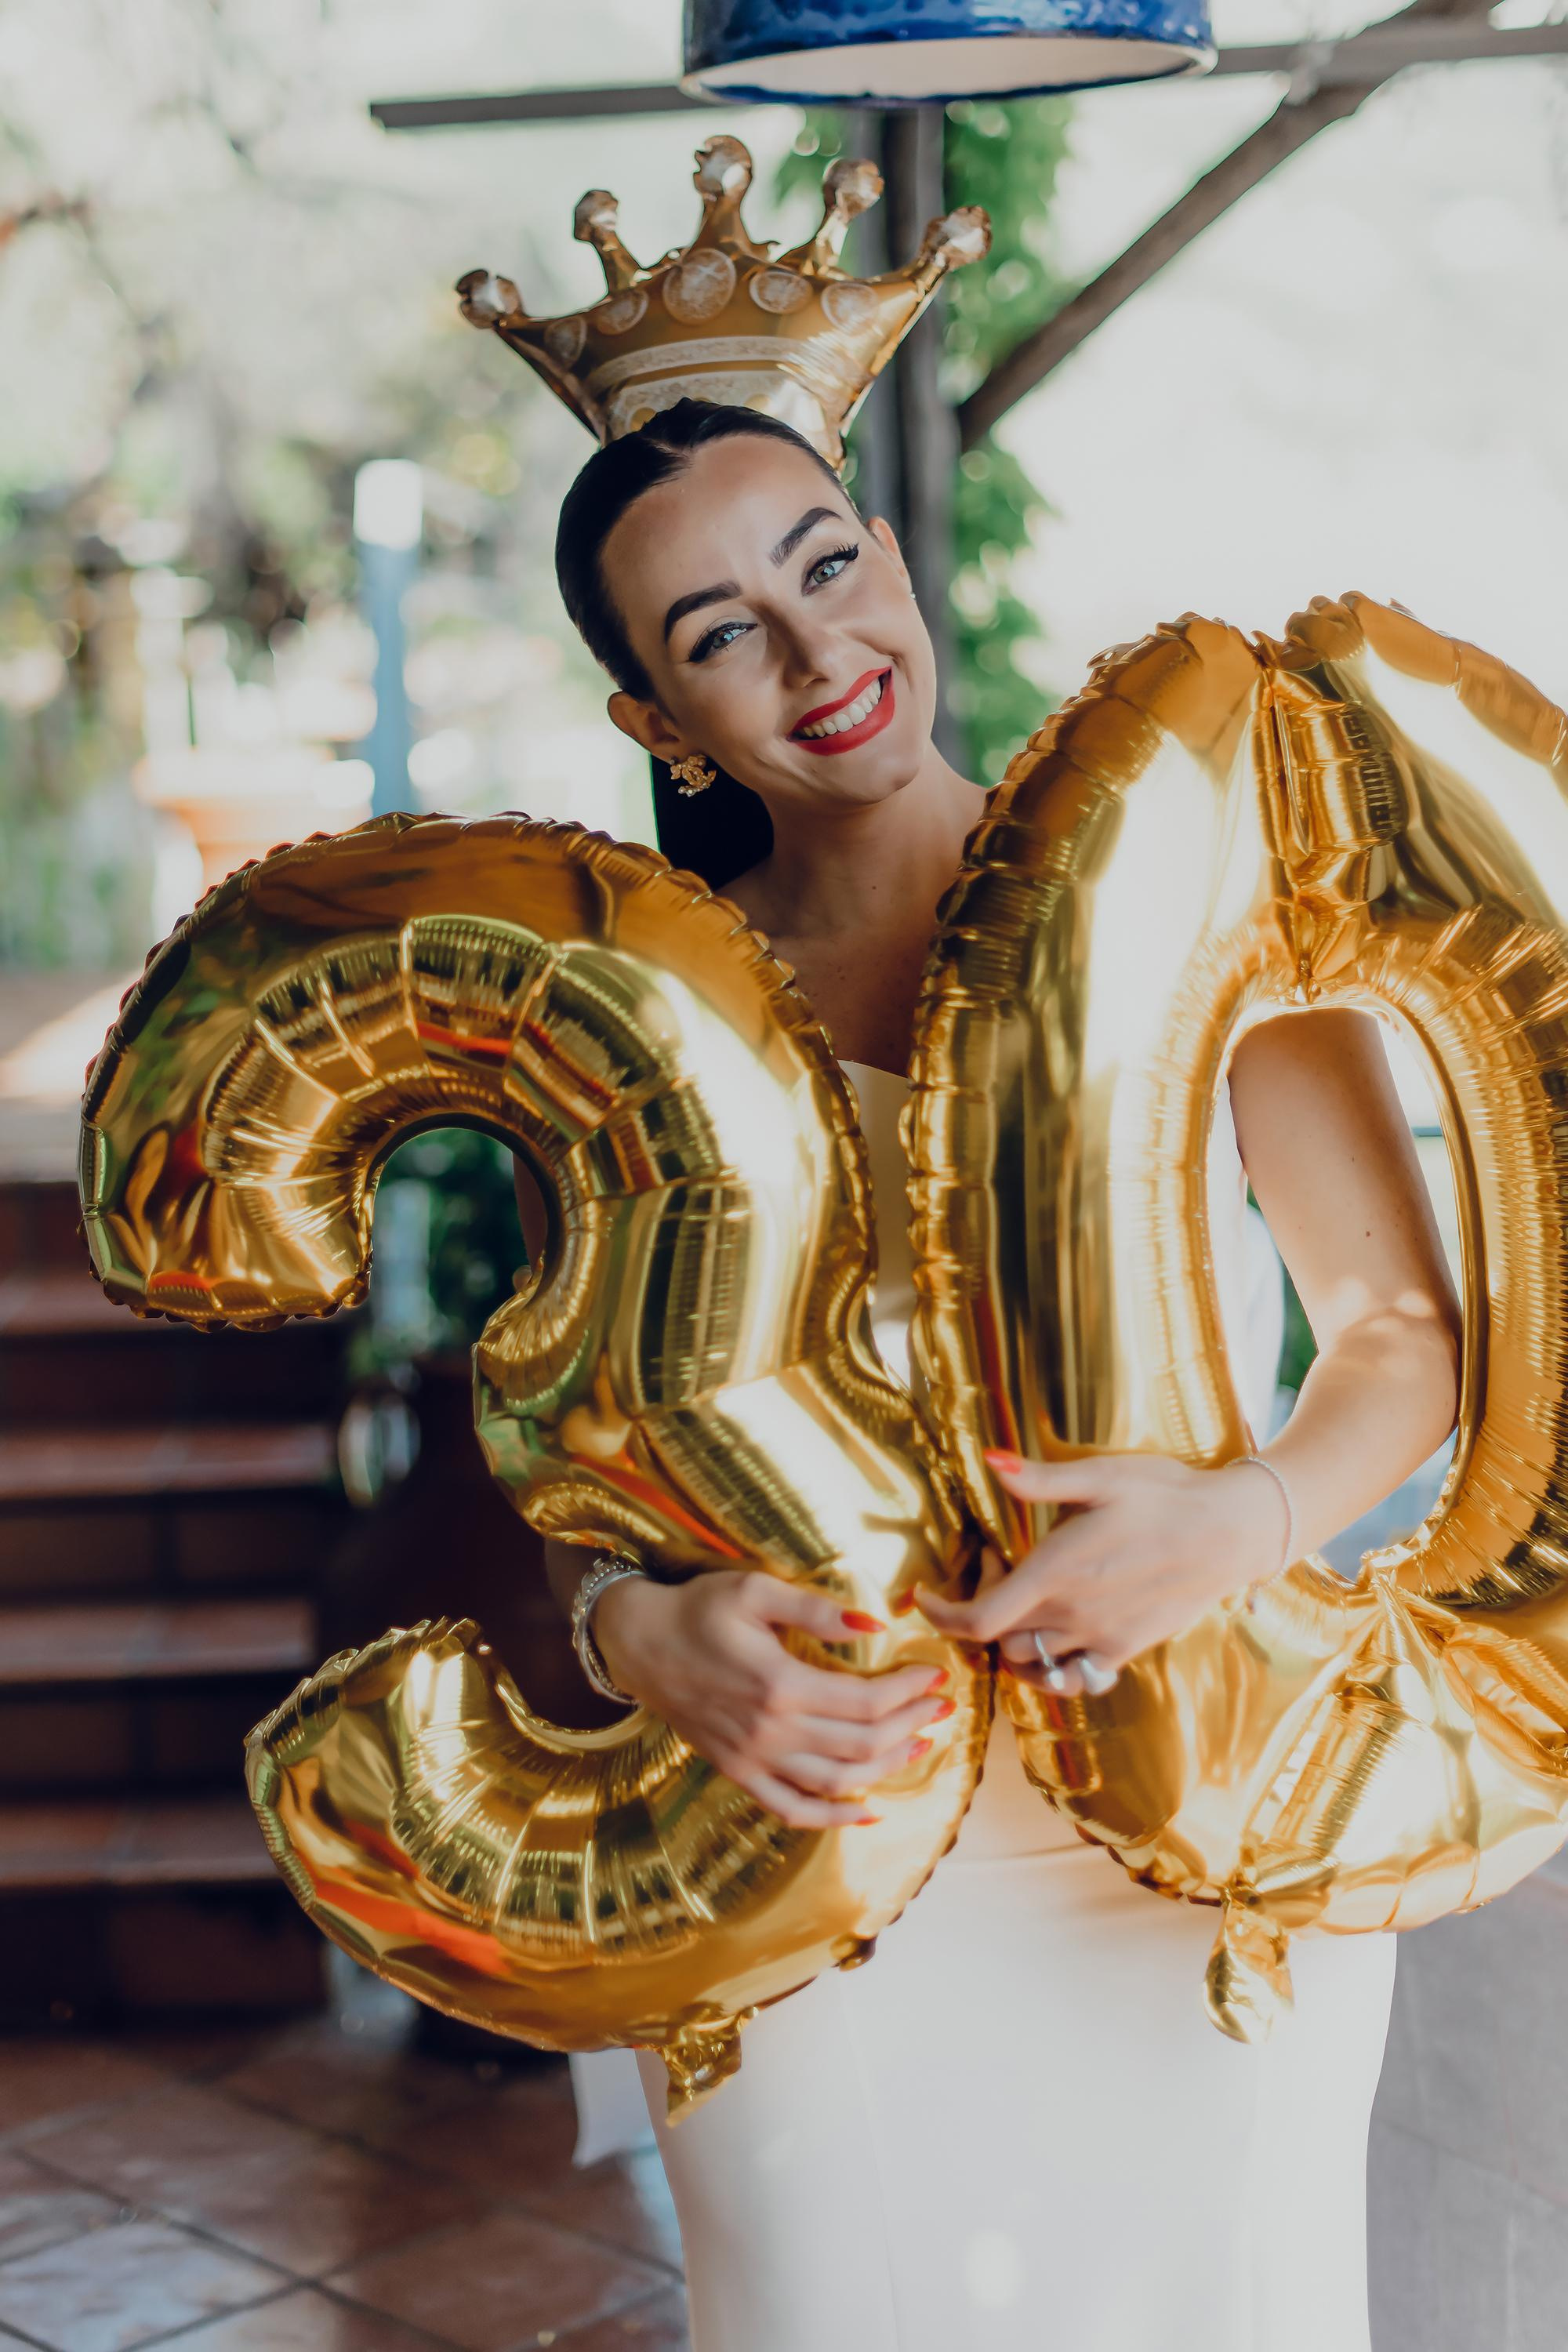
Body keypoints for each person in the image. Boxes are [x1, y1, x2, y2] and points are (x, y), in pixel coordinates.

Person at [513, 398, 1461, 2352]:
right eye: (720, 633)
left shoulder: (1195, 896)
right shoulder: (628, 1025)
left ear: (889, 556)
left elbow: (1402, 1339)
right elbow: (577, 1483)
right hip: (812, 1855)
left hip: (1198, 1813)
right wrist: (638, 1632)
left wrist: (1245, 1518)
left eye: (824, 566)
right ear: (658, 723)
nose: (816, 653)